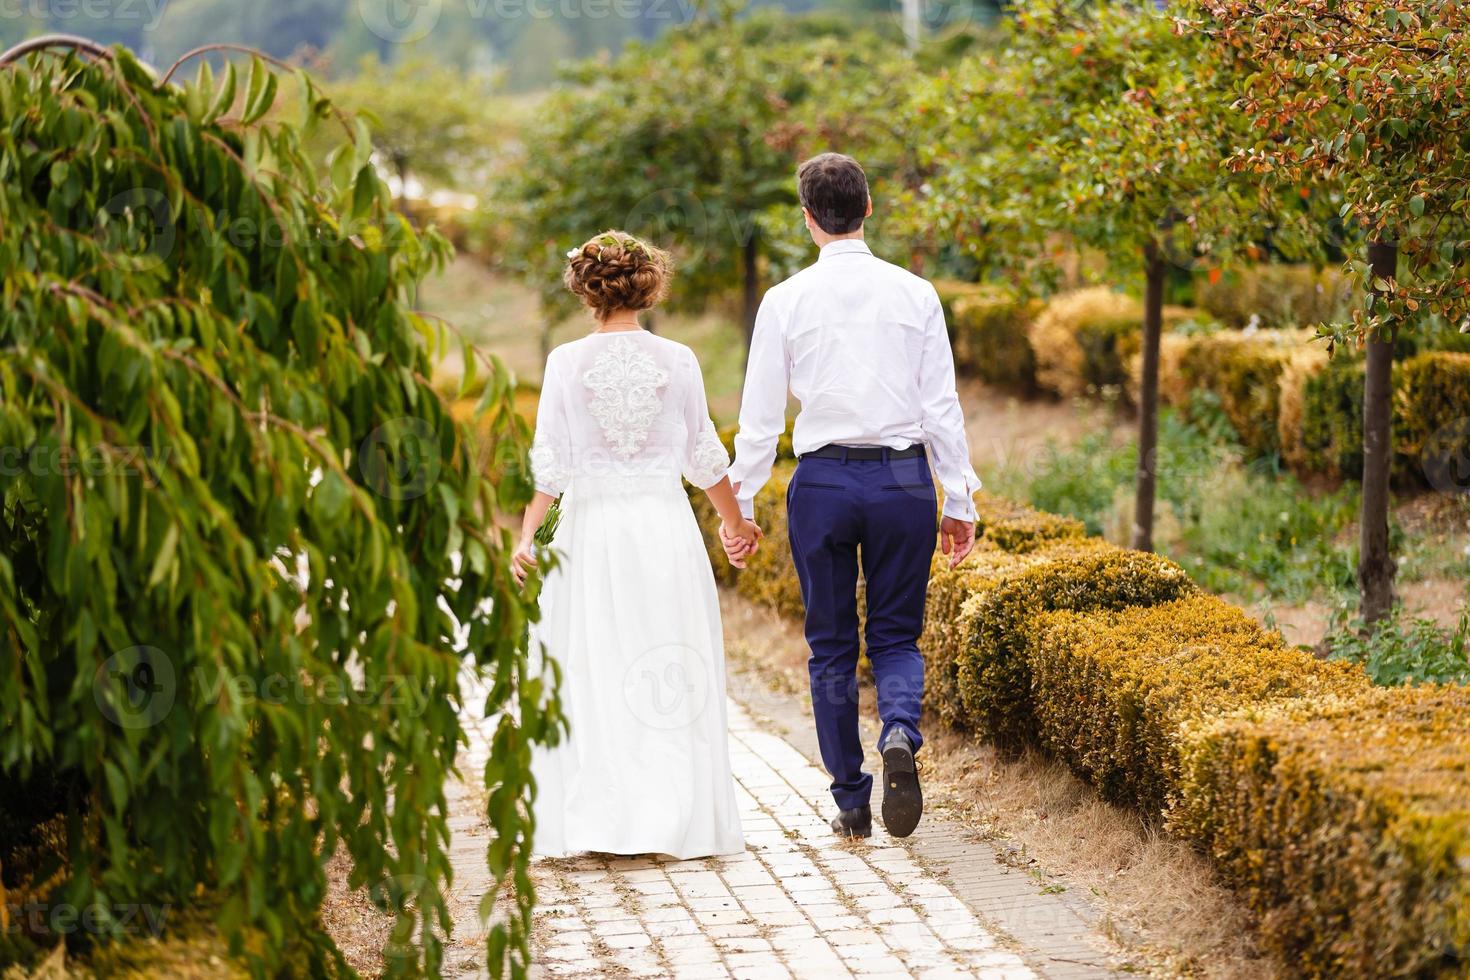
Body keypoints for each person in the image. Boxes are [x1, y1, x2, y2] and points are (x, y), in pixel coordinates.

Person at [723, 153, 981, 840]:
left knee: (831, 646)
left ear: (809, 221)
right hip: (901, 479)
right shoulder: (915, 293)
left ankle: (850, 800)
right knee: (896, 635)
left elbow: (759, 416)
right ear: (867, 209)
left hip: (824, 481)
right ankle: (898, 729)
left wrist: (741, 506)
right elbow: (941, 406)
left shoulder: (783, 301)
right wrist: (960, 500)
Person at [513, 230, 757, 859]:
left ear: (585, 289)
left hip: (590, 533)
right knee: (670, 665)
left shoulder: (565, 362)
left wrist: (526, 536)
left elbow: (552, 462)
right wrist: (735, 524)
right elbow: (702, 454)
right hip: (662, 529)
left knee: (594, 665)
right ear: (647, 286)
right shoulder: (678, 360)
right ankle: (670, 815)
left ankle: (603, 818)